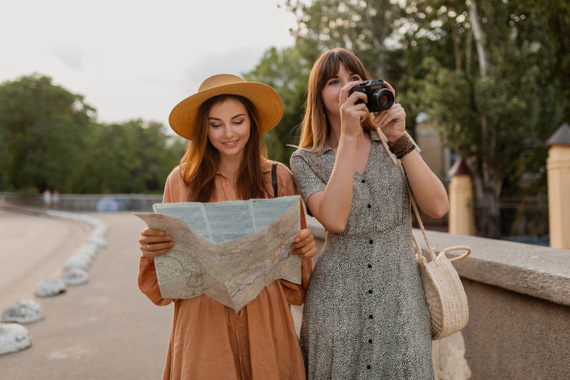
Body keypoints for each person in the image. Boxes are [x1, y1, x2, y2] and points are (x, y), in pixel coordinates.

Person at [137, 74, 317, 380]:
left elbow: (296, 283)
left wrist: (305, 248)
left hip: (266, 318)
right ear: (203, 129)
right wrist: (151, 249)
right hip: (202, 322)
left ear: (252, 123)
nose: (228, 133)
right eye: (215, 124)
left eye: (237, 121)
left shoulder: (278, 177)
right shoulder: (180, 180)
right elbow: (162, 286)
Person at [289, 48, 450, 379]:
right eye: (334, 82)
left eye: (355, 79)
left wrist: (399, 138)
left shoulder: (394, 144)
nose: (347, 87)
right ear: (319, 97)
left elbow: (438, 206)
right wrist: (348, 137)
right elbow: (334, 220)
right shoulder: (306, 160)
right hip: (337, 306)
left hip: (403, 303)